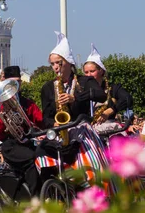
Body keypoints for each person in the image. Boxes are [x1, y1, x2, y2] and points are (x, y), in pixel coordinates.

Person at [37, 32, 108, 186]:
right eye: (53, 64)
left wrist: (75, 97)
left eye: (58, 63)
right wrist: (52, 124)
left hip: (80, 129)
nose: (55, 67)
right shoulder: (48, 87)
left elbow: (101, 95)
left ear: (68, 62)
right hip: (59, 132)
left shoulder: (84, 81)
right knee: (40, 154)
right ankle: (50, 190)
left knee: (92, 164)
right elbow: (46, 116)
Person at [0, 65, 44, 196]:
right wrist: (5, 121)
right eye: (13, 82)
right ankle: (36, 199)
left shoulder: (27, 102)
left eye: (18, 81)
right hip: (11, 145)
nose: (17, 85)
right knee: (32, 159)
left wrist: (46, 129)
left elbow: (40, 120)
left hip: (28, 141)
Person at [82, 43, 133, 134]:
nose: (89, 75)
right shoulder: (82, 90)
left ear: (101, 71)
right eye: (86, 72)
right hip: (88, 130)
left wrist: (111, 110)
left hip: (109, 130)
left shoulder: (113, 88)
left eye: (92, 71)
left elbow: (127, 98)